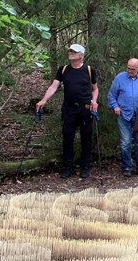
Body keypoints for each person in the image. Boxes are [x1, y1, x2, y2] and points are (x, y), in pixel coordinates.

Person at [35, 44, 99, 179]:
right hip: (69, 109)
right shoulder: (63, 70)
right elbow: (54, 86)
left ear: (81, 55)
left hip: (85, 109)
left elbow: (95, 89)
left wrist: (94, 101)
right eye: (70, 51)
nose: (71, 53)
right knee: (67, 137)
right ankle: (69, 167)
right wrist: (44, 100)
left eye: (74, 52)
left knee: (86, 139)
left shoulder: (89, 70)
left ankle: (85, 167)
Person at [108, 58, 138, 178]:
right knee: (125, 143)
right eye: (128, 68)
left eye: (132, 69)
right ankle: (127, 167)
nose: (129, 71)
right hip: (123, 115)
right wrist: (115, 106)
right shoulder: (120, 78)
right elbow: (111, 95)